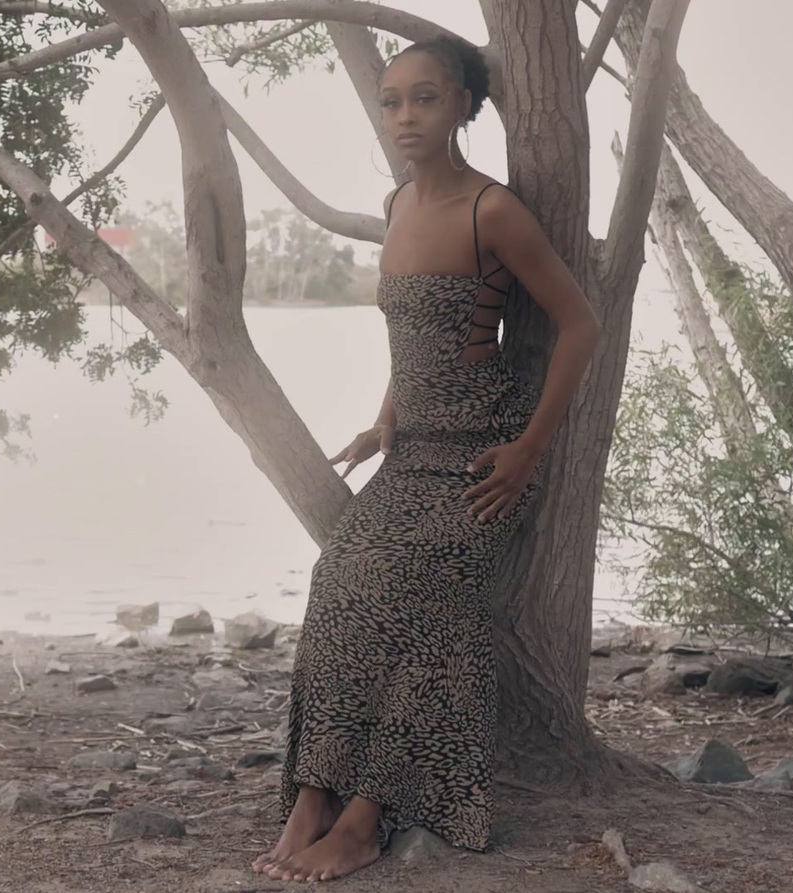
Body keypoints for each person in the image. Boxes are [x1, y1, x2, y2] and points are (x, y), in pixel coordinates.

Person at [251, 35, 601, 883]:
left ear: (464, 107)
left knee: (431, 596)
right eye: (392, 100)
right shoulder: (398, 203)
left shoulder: (494, 211)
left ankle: (366, 820)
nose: (406, 116)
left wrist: (526, 450)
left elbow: (580, 324)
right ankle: (315, 791)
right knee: (338, 579)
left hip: (484, 459)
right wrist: (381, 423)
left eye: (426, 99)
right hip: (410, 455)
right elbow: (416, 342)